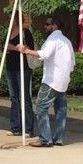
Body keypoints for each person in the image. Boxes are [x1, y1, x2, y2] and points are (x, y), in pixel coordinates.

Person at [16, 17, 74, 147]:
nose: (45, 27)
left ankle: (45, 138)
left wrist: (26, 50)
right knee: (60, 110)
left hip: (51, 81)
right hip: (63, 81)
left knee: (41, 107)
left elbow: (45, 54)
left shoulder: (53, 39)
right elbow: (72, 63)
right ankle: (58, 138)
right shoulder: (67, 41)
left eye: (47, 24)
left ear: (54, 25)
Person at [5, 25, 35, 137]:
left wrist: (21, 48)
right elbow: (5, 46)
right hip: (10, 67)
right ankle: (15, 127)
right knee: (14, 97)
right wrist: (13, 47)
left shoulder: (25, 32)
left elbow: (30, 48)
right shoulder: (9, 31)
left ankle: (28, 128)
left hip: (23, 68)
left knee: (24, 97)